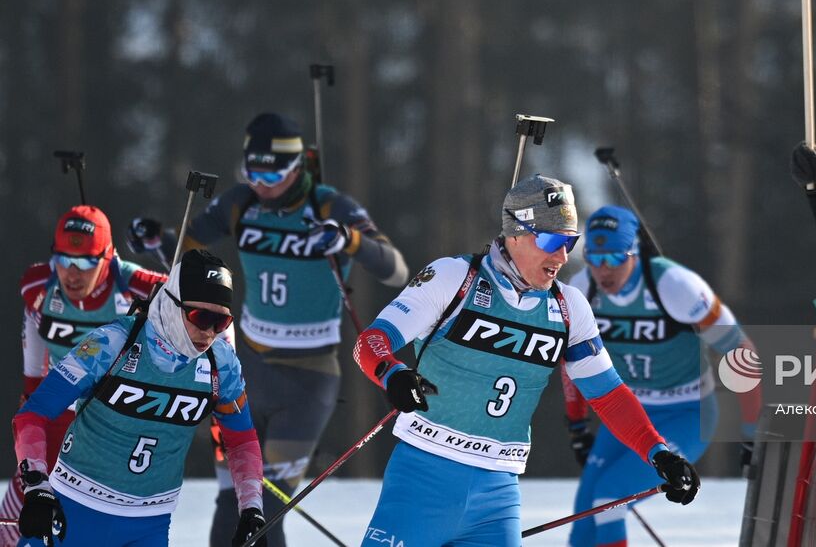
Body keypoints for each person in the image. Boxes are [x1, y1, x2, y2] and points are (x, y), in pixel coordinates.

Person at [351, 175, 700, 547]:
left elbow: (608, 395)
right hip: (423, 477)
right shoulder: (455, 278)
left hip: (497, 496)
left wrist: (660, 453)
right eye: (551, 241)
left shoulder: (568, 308)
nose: (562, 257)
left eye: (570, 243)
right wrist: (393, 374)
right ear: (515, 233)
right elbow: (370, 342)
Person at [130, 112, 408, 546]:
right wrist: (154, 238)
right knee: (232, 501)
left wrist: (345, 240)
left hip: (308, 379)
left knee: (268, 508)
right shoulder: (241, 202)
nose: (261, 182)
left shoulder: (330, 205)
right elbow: (186, 250)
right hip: (246, 372)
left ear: (296, 167)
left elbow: (394, 268)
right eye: (252, 171)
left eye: (271, 173)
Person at [10, 250, 267, 547]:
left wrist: (251, 509)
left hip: (149, 525)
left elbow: (241, 439)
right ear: (172, 305)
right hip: (73, 511)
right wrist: (37, 486)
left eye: (220, 322)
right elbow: (33, 413)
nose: (209, 332)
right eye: (200, 316)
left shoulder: (221, 365)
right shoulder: (111, 344)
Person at [564, 205, 758, 547]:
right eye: (595, 258)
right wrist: (578, 426)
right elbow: (573, 363)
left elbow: (741, 352)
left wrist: (751, 433)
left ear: (634, 253)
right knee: (584, 522)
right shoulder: (582, 289)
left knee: (610, 498)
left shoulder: (675, 285)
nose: (603, 270)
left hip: (686, 413)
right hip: (629, 415)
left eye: (614, 258)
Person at [2, 207, 168, 543]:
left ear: (108, 258)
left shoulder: (138, 287)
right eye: (63, 259)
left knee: (80, 524)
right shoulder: (38, 285)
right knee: (16, 515)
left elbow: (198, 305)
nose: (72, 274)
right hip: (61, 413)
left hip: (110, 427)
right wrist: (33, 407)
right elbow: (34, 362)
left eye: (86, 263)